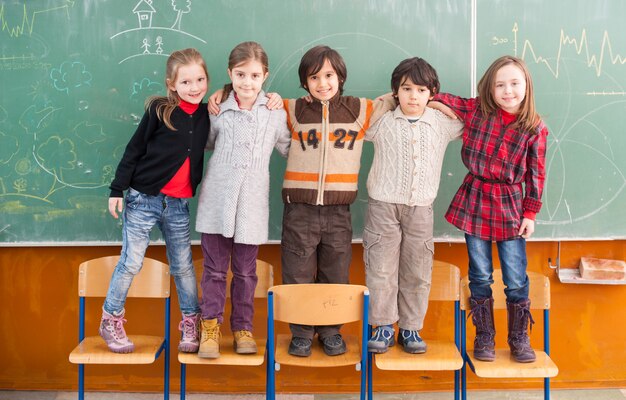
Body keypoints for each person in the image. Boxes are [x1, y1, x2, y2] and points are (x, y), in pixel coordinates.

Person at [279, 45, 395, 357]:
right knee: (297, 274)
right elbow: (252, 98)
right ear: (305, 82)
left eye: (329, 75)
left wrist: (441, 101)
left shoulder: (359, 109)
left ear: (340, 76)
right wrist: (223, 93)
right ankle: (301, 332)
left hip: (338, 211)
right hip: (299, 210)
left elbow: (396, 96)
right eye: (314, 77)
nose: (322, 83)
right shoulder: (293, 110)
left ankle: (330, 331)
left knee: (336, 273)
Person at [430, 55, 548, 363]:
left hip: (511, 205)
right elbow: (443, 99)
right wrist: (422, 98)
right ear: (489, 88)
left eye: (514, 84)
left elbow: (537, 173)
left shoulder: (535, 128)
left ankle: (519, 338)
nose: (508, 91)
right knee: (479, 273)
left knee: (515, 276)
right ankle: (484, 336)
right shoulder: (478, 111)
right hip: (476, 198)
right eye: (500, 85)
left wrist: (530, 212)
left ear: (527, 86)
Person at [102, 48, 209, 354]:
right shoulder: (160, 110)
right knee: (132, 261)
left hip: (177, 204)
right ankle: (110, 319)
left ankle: (191, 322)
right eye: (186, 82)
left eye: (200, 79)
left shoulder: (207, 113)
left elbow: (237, 98)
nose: (195, 87)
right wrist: (116, 189)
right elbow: (134, 149)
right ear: (172, 84)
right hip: (143, 198)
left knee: (183, 266)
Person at [195, 41, 291, 359]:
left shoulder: (275, 114)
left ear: (265, 75)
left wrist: (286, 104)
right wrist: (212, 102)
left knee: (247, 273)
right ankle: (210, 326)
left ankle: (242, 328)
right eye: (240, 75)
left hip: (252, 205)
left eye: (254, 75)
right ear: (229, 74)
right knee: (214, 270)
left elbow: (291, 149)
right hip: (216, 203)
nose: (247, 82)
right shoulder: (218, 109)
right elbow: (203, 143)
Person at [363, 57, 463, 354]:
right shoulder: (381, 121)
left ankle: (410, 328)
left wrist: (439, 105)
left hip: (421, 207)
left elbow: (468, 118)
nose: (413, 96)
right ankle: (382, 325)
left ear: (431, 92)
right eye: (406, 89)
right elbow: (359, 118)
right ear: (396, 91)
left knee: (417, 270)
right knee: (380, 268)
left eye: (421, 90)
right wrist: (384, 99)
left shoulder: (441, 125)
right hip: (383, 204)